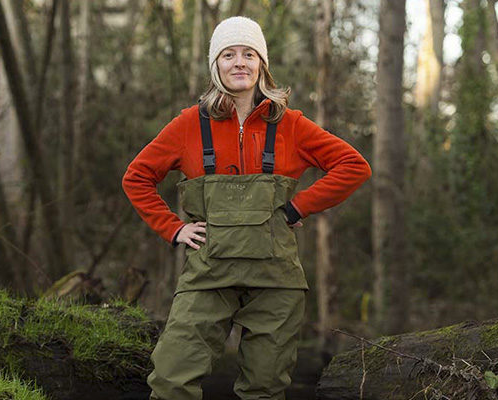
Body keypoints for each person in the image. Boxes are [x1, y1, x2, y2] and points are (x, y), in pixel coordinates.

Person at [122, 16, 371, 400]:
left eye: (249, 54)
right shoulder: (189, 125)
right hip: (207, 276)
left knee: (264, 390)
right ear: (215, 65)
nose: (239, 62)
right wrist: (173, 228)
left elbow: (354, 166)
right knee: (171, 382)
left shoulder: (291, 125)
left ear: (262, 65)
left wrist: (297, 208)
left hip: (276, 282)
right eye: (228, 55)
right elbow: (136, 177)